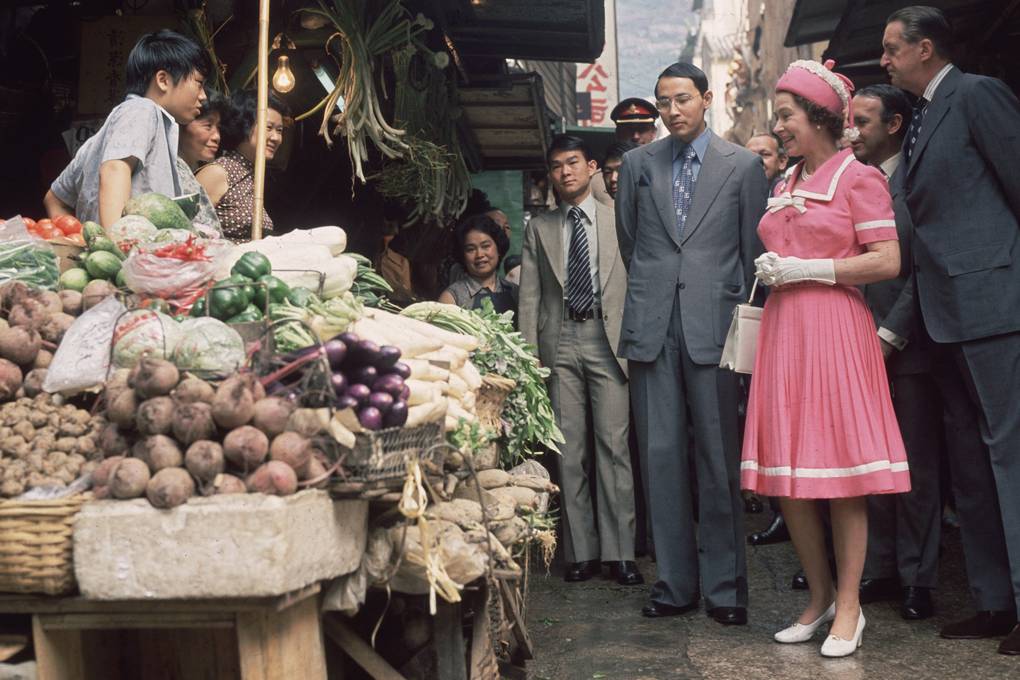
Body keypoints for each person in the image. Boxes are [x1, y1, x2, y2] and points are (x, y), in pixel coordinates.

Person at [741, 58, 910, 658]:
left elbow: (888, 259)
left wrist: (812, 268)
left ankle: (850, 606)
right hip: (786, 332)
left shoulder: (858, 178)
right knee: (792, 477)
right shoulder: (785, 182)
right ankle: (817, 599)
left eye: (785, 115)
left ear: (817, 115)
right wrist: (775, 269)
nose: (778, 125)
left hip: (836, 330)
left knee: (840, 477)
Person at [881, 6, 1020, 654]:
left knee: (1009, 457)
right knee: (972, 466)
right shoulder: (927, 115)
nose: (882, 61)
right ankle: (995, 603)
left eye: (890, 49)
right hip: (943, 314)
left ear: (925, 48)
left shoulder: (977, 95)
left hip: (992, 305)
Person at [615, 62, 767, 625]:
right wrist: (661, 294)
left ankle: (727, 590)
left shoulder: (744, 166)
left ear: (706, 100)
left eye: (682, 99)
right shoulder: (637, 165)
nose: (672, 110)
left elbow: (754, 257)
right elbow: (633, 244)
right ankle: (674, 584)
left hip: (717, 329)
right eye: (663, 102)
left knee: (719, 461)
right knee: (659, 458)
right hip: (653, 327)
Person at [852, 83, 955, 621]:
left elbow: (923, 270)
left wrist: (889, 336)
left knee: (914, 466)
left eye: (864, 122)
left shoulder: (916, 183)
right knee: (872, 462)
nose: (854, 132)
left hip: (908, 348)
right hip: (855, 346)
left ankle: (920, 578)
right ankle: (882, 568)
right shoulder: (853, 181)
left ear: (893, 125)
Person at [518, 135, 639, 586]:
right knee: (569, 452)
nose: (564, 172)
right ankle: (582, 552)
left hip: (610, 342)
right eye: (555, 166)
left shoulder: (618, 220)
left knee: (614, 447)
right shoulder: (539, 227)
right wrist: (530, 361)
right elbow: (529, 299)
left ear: (591, 167)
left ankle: (621, 553)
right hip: (560, 341)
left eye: (572, 163)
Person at [44, 30, 210, 226]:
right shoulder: (141, 109)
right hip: (129, 254)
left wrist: (85, 241)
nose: (203, 96)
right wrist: (115, 246)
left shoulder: (98, 139)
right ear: (163, 80)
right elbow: (115, 168)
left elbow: (55, 199)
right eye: (199, 84)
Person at [197, 89, 289, 242]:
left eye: (279, 131)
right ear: (245, 124)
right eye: (268, 127)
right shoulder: (219, 172)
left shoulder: (251, 175)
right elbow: (189, 230)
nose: (276, 138)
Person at [438, 213, 518, 315]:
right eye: (470, 249)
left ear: (498, 249)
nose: (479, 255)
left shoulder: (516, 293)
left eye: (485, 246)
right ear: (462, 256)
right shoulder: (451, 298)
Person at [175, 89, 231, 233]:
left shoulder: (188, 171)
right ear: (182, 125)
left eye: (218, 127)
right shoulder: (172, 170)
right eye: (208, 126)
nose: (216, 136)